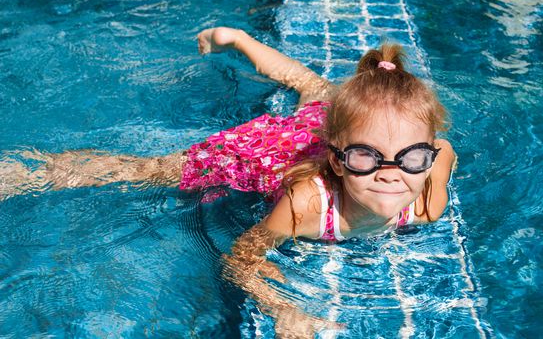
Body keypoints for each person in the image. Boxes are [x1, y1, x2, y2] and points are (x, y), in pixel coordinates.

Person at [1, 27, 456, 336]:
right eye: (365, 157)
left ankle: (236, 38)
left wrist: (397, 144)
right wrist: (281, 305)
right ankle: (23, 172)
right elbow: (242, 257)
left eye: (412, 157)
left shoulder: (426, 193)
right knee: (152, 171)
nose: (391, 172)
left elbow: (441, 149)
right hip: (270, 153)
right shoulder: (305, 206)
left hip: (330, 127)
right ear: (337, 161)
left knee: (315, 89)